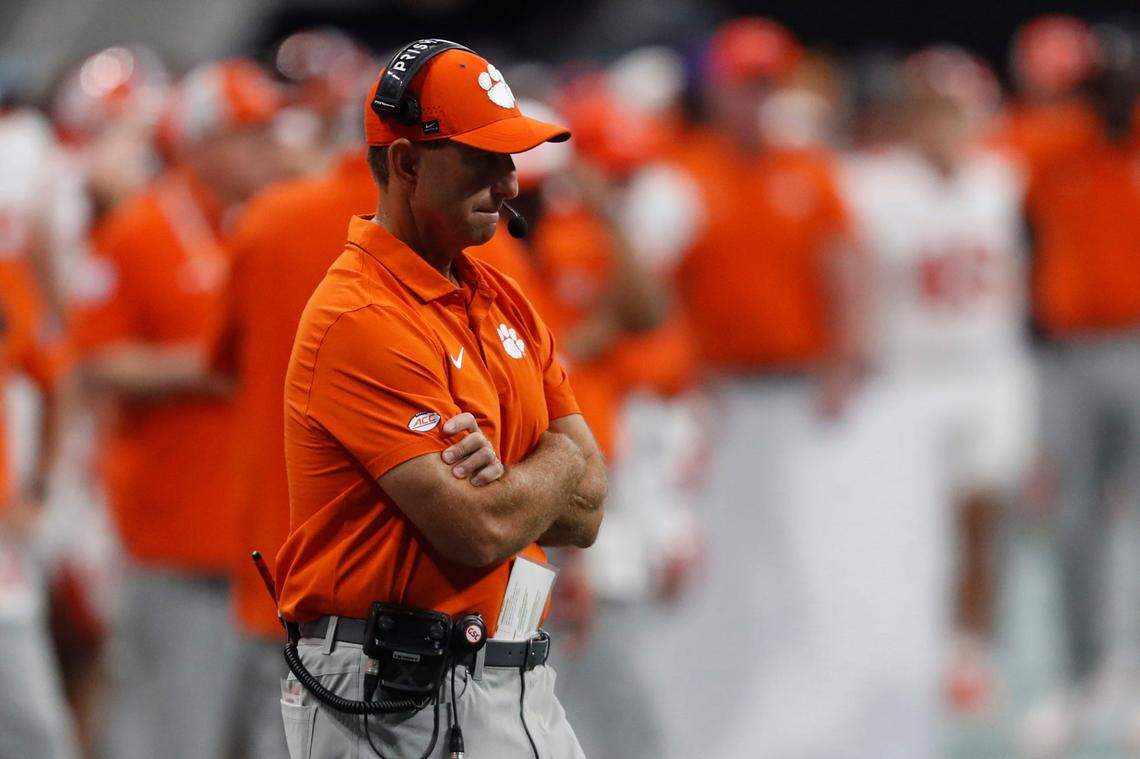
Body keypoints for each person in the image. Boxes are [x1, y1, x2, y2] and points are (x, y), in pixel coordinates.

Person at [274, 41, 605, 759]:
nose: (510, 182)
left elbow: (591, 505)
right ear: (407, 162)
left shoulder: (502, 297)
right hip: (391, 693)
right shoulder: (359, 316)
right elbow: (477, 530)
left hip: (513, 679)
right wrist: (552, 459)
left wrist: (516, 474)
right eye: (483, 158)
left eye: (511, 158)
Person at [68, 59, 288, 759]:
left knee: (274, 735)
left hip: (275, 538)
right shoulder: (139, 230)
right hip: (176, 529)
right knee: (168, 734)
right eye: (248, 135)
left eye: (268, 134)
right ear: (198, 141)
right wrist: (200, 369)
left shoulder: (273, 225)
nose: (267, 150)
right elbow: (92, 361)